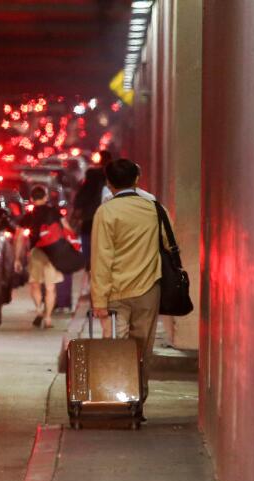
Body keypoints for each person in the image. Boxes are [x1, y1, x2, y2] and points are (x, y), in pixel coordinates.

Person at [90, 159, 165, 412]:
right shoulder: (153, 208)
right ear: (137, 180)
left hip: (115, 293)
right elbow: (168, 242)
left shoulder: (106, 212)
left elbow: (102, 258)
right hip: (147, 289)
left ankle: (115, 400)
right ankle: (137, 401)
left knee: (115, 348)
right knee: (142, 348)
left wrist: (99, 301)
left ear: (109, 183)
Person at [15, 185, 65, 329]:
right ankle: (48, 318)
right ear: (45, 197)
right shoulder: (54, 213)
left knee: (35, 284)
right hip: (52, 253)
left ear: (31, 199)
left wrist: (17, 258)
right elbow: (66, 228)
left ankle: (38, 309)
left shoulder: (29, 216)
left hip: (36, 253)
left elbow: (19, 237)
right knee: (50, 287)